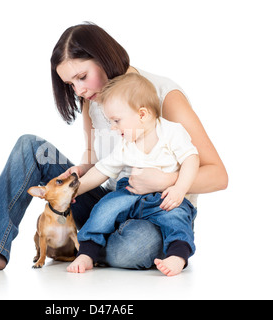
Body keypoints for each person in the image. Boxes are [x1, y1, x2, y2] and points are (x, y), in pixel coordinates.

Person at [0, 22, 228, 275]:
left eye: (82, 77)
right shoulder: (93, 101)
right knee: (30, 147)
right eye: (71, 84)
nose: (80, 90)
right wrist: (78, 173)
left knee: (133, 248)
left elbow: (218, 175)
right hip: (111, 199)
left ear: (104, 57)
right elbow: (97, 163)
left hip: (159, 209)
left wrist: (166, 181)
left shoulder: (164, 95)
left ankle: (89, 243)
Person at [67, 73, 199, 276]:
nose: (112, 127)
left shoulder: (171, 132)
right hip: (130, 192)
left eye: (117, 120)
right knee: (104, 209)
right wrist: (75, 189)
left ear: (142, 115)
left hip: (164, 196)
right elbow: (103, 169)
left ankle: (177, 255)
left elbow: (191, 159)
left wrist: (179, 188)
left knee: (177, 216)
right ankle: (87, 251)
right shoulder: (126, 143)